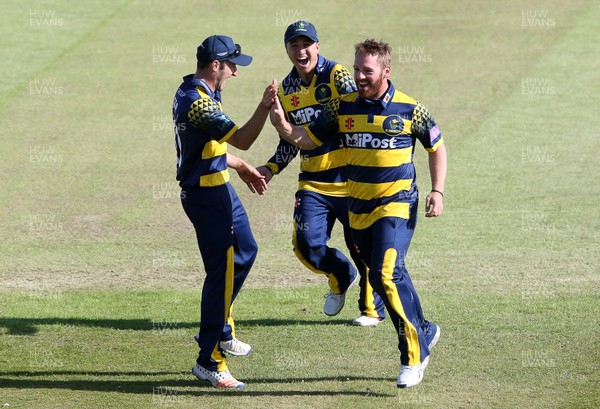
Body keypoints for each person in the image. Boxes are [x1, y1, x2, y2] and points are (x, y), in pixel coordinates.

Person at [268, 39, 447, 388]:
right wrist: (282, 126)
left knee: (386, 273)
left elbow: (436, 147)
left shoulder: (412, 109)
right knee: (386, 276)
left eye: (368, 70)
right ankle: (425, 328)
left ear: (385, 71)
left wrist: (437, 191)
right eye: (357, 69)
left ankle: (414, 353)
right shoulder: (342, 106)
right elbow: (309, 139)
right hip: (357, 207)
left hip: (396, 203)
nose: (360, 76)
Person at [256, 20, 386, 326]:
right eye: (294, 46)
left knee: (362, 247)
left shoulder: (337, 75)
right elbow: (290, 139)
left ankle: (371, 309)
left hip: (352, 181)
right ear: (287, 50)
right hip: (313, 181)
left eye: (306, 44)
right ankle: (341, 276)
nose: (301, 51)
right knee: (306, 245)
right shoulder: (286, 88)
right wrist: (271, 167)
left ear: (317, 46)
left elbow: (358, 108)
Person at [172, 34, 277, 389]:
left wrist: (239, 165)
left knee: (245, 252)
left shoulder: (199, 91)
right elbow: (243, 137)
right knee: (222, 272)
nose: (235, 72)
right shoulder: (197, 102)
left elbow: (207, 147)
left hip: (220, 187)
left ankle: (223, 328)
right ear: (215, 65)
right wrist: (265, 107)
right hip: (206, 197)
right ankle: (210, 359)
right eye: (232, 65)